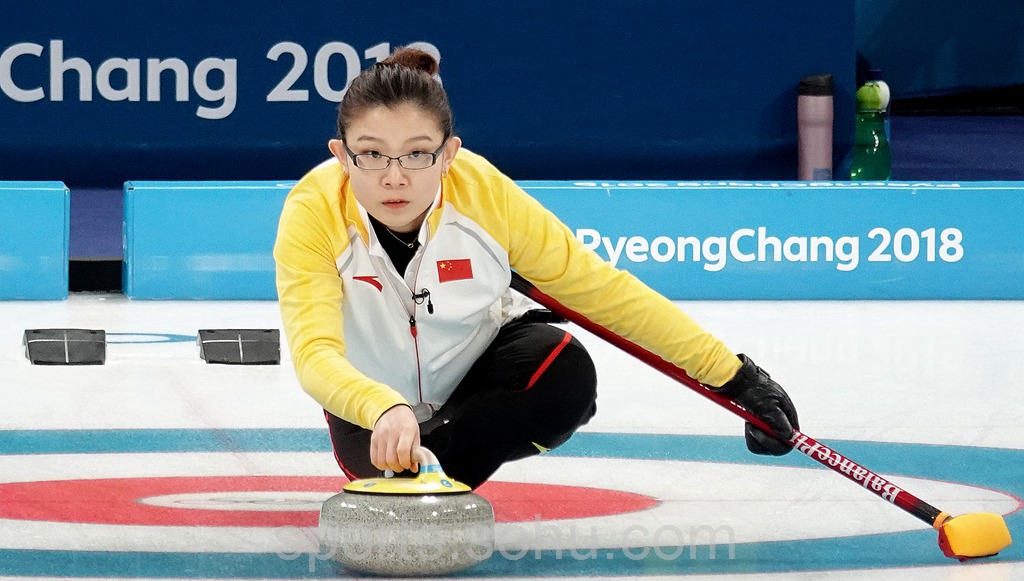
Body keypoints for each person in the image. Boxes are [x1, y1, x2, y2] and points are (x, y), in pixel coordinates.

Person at [274, 47, 798, 489]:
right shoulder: (313, 212)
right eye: (371, 154)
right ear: (341, 155)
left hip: (472, 374)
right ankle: (408, 473)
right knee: (384, 473)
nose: (394, 177)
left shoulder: (485, 196)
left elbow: (603, 292)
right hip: (371, 406)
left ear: (449, 154)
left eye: (417, 154)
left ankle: (445, 474)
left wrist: (735, 377)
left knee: (564, 371)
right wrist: (379, 407)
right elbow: (316, 354)